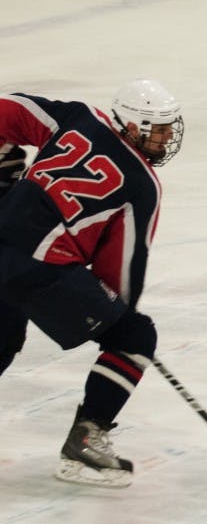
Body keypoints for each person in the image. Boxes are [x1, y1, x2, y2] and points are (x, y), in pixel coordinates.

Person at [0, 79, 184, 486]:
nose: (168, 136)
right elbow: (121, 266)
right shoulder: (143, 185)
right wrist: (116, 321)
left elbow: (9, 109)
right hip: (39, 271)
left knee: (2, 341)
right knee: (135, 336)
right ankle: (85, 444)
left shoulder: (77, 117)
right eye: (159, 128)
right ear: (133, 127)